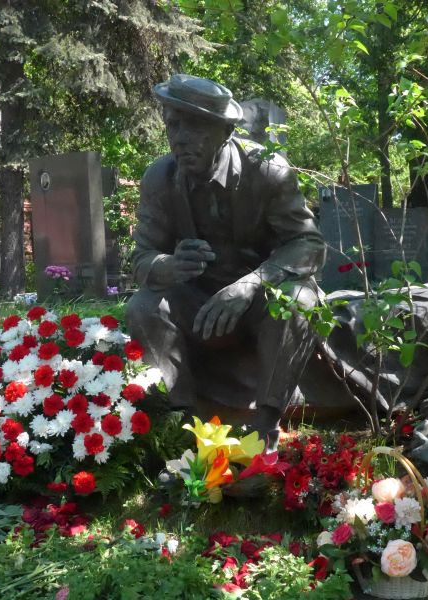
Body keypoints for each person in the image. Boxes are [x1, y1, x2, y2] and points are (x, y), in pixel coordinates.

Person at [126, 75, 325, 450]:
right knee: (143, 305)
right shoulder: (159, 178)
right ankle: (181, 426)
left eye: (195, 126)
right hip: (199, 305)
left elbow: (308, 243)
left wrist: (251, 283)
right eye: (173, 125)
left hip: (260, 299)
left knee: (296, 301)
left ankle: (264, 427)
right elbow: (142, 258)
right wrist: (169, 265)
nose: (180, 138)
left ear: (226, 132)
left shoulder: (267, 170)